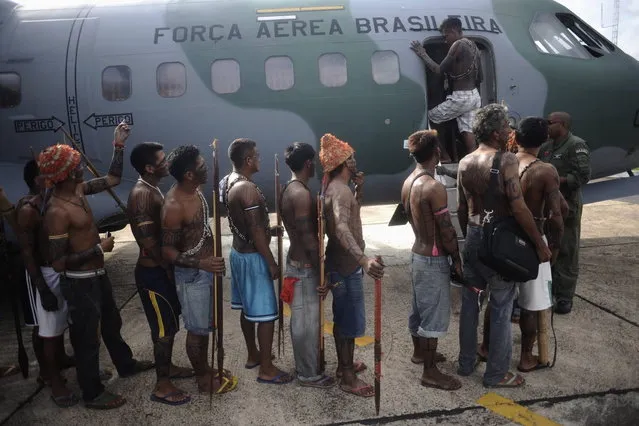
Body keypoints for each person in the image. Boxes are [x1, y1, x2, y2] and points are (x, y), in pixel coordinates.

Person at [43, 123, 154, 409]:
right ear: (67, 173)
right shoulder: (57, 211)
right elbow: (57, 263)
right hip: (80, 282)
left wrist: (118, 145)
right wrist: (97, 249)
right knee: (86, 339)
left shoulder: (78, 189)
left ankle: (125, 364)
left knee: (112, 324)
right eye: (76, 165)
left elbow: (114, 178)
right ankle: (92, 392)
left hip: (96, 276)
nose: (81, 167)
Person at [456, 104, 551, 388]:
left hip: (473, 237)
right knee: (500, 307)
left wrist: (470, 240)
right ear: (497, 133)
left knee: (471, 303)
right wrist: (538, 243)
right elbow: (519, 207)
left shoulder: (465, 161)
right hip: (498, 244)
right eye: (507, 127)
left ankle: (465, 363)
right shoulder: (505, 160)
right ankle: (497, 374)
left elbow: (462, 208)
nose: (510, 131)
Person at [160, 145, 236, 394]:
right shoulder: (173, 205)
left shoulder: (196, 189)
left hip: (207, 270)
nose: (206, 169)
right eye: (201, 167)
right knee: (197, 330)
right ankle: (202, 378)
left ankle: (205, 367)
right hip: (192, 275)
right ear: (189, 175)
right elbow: (168, 252)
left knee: (207, 327)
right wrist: (201, 263)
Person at [128, 142, 196, 405]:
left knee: (170, 324)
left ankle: (169, 370)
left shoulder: (151, 188)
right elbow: (148, 242)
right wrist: (168, 269)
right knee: (163, 330)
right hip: (153, 274)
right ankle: (162, 385)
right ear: (149, 167)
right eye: (162, 159)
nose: (167, 162)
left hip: (161, 271)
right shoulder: (142, 194)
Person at [319, 133, 385, 397]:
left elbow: (349, 216)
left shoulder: (339, 188)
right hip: (346, 267)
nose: (356, 160)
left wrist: (360, 189)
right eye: (352, 158)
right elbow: (342, 228)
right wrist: (363, 260)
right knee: (349, 323)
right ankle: (347, 376)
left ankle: (344, 366)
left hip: (342, 265)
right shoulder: (339, 191)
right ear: (345, 163)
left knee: (344, 320)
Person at [224, 138, 293, 385]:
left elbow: (245, 225)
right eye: (257, 155)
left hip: (239, 253)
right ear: (248, 160)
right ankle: (266, 368)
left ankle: (254, 354)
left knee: (246, 308)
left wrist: (269, 231)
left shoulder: (227, 181)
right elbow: (254, 231)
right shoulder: (248, 189)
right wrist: (271, 262)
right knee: (266, 315)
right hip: (253, 257)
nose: (260, 159)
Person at [402, 130, 462, 391]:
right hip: (433, 258)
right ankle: (430, 372)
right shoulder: (434, 187)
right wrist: (457, 260)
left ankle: (419, 353)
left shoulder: (409, 182)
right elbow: (447, 231)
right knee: (433, 318)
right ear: (436, 153)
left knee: (419, 309)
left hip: (417, 253)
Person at [15, 160, 77, 406]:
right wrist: (42, 288)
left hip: (57, 269)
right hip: (39, 273)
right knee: (46, 329)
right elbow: (27, 252)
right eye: (47, 175)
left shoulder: (51, 200)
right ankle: (51, 377)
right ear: (35, 180)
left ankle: (59, 360)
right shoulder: (29, 209)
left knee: (59, 324)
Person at [280, 142, 335, 389]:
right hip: (303, 266)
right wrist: (320, 270)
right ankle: (307, 374)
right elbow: (308, 237)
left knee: (307, 322)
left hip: (298, 263)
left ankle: (309, 367)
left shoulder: (291, 188)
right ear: (309, 164)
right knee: (305, 324)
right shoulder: (300, 194)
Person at [539, 112, 591, 314]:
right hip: (546, 207)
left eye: (549, 123)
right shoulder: (545, 147)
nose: (547, 126)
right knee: (547, 247)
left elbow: (583, 176)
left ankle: (564, 297)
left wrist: (554, 180)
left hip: (566, 206)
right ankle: (547, 291)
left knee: (567, 250)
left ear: (562, 125)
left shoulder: (576, 146)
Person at [410, 17, 482, 159]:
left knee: (431, 117)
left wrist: (422, 53)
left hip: (461, 97)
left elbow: (438, 70)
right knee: (467, 130)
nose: (445, 40)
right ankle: (475, 161)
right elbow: (480, 77)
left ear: (453, 31)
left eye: (446, 35)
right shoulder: (474, 47)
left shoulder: (458, 45)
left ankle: (444, 156)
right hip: (474, 96)